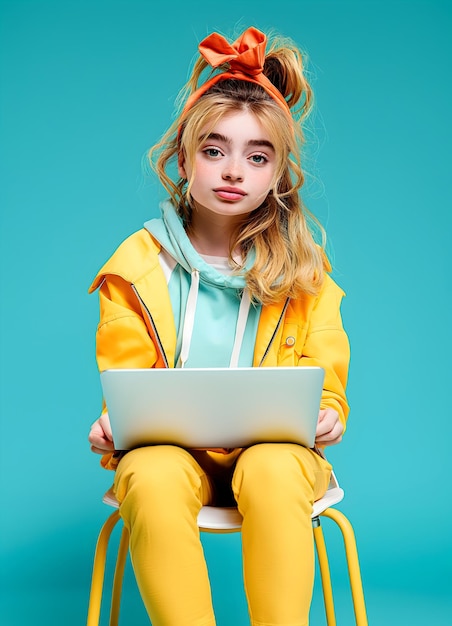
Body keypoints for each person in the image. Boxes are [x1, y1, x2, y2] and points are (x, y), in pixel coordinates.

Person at [88, 26, 350, 626]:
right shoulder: (135, 267)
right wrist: (113, 427)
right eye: (214, 150)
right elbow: (127, 381)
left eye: (257, 156)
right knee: (150, 476)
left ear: (278, 174)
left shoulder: (306, 271)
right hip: (169, 455)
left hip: (274, 455)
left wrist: (329, 410)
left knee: (276, 466)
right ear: (184, 157)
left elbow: (326, 367)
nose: (234, 171)